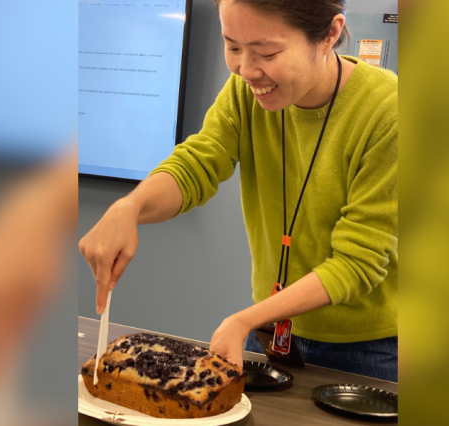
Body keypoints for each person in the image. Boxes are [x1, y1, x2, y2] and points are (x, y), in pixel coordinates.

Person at [79, 0, 398, 382]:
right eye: (232, 47)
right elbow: (197, 164)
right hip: (270, 331)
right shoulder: (247, 90)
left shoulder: (388, 110)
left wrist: (245, 319)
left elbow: (358, 261)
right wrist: (130, 207)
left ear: (330, 33)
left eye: (267, 53)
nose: (246, 70)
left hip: (368, 348)